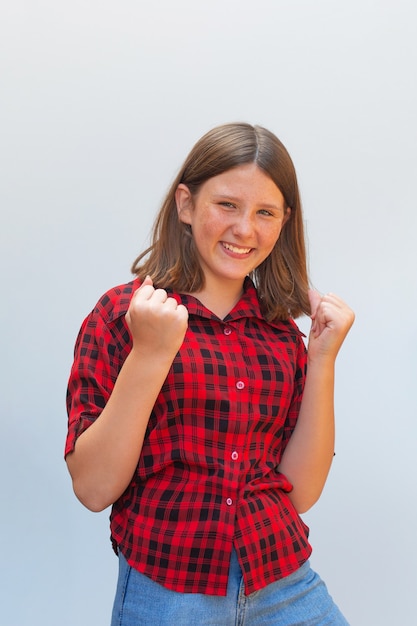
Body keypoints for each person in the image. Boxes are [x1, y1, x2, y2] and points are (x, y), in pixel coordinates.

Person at [65, 122, 355, 625]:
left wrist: (322, 359)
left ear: (284, 222)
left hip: (282, 581)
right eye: (227, 205)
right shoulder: (122, 316)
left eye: (265, 212)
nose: (245, 229)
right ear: (185, 204)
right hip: (170, 592)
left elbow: (300, 492)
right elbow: (93, 488)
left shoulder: (282, 335)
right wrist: (151, 355)